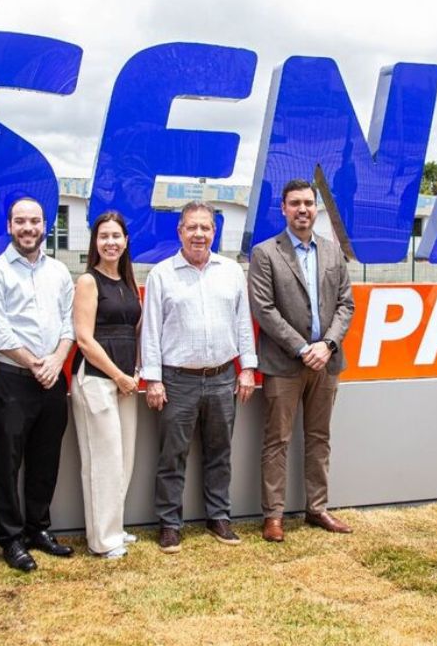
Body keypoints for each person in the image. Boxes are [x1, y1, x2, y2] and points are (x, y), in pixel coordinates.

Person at [141, 200, 257, 553]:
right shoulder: (162, 274)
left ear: (214, 231)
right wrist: (154, 379)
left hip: (223, 377)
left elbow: (242, 322)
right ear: (180, 232)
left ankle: (219, 516)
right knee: (172, 456)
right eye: (191, 227)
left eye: (205, 227)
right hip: (177, 380)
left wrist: (247, 367)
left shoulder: (231, 271)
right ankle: (170, 523)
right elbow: (151, 331)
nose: (199, 234)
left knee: (219, 452)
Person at [247, 179, 355, 542]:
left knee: (319, 438)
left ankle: (317, 508)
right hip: (284, 364)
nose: (303, 209)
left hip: (326, 362)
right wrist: (301, 347)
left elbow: (346, 304)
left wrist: (326, 345)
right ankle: (273, 516)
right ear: (283, 208)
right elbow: (264, 309)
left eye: (308, 203)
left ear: (315, 208)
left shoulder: (332, 251)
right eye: (295, 203)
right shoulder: (265, 253)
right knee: (276, 440)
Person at [0, 196, 76, 572]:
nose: (28, 228)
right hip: (11, 380)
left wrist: (55, 361)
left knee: (45, 459)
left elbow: (69, 324)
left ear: (44, 225)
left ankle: (38, 529)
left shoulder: (59, 272)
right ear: (9, 226)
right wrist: (36, 364)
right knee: (7, 462)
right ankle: (11, 539)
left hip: (52, 378)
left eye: (35, 221)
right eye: (21, 221)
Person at [72, 211, 142, 559]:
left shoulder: (127, 281)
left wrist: (135, 373)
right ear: (95, 242)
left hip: (126, 382)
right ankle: (102, 540)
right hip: (98, 379)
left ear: (126, 241)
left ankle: (114, 527)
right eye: (104, 236)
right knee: (103, 459)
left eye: (116, 236)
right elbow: (84, 339)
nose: (111, 242)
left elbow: (135, 331)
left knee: (124, 458)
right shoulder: (88, 282)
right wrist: (117, 374)